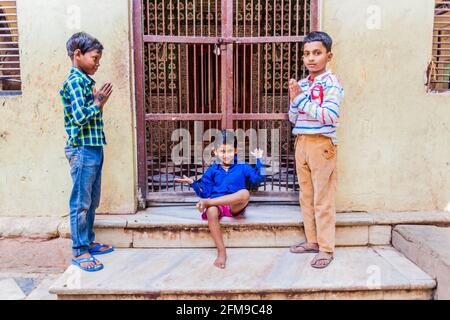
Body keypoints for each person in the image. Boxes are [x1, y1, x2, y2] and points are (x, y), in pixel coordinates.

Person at [288, 31, 345, 269]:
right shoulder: (303, 84)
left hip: (321, 144)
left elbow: (330, 117)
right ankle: (312, 241)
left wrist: (301, 101)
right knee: (306, 196)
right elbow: (293, 117)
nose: (311, 58)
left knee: (323, 199)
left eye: (317, 53)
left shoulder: (332, 83)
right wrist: (294, 99)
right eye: (307, 54)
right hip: (301, 142)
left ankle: (326, 248)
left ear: (328, 56)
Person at [60, 32, 114, 272]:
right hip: (82, 149)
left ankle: (88, 241)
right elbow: (81, 117)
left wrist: (98, 103)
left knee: (91, 200)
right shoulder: (73, 82)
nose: (97, 63)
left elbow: (92, 117)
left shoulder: (85, 82)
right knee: (80, 202)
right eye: (95, 58)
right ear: (77, 55)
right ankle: (79, 251)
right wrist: (98, 102)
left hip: (93, 146)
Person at [175, 130, 265, 269]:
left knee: (245, 193)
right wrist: (192, 182)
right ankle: (221, 251)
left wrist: (259, 160)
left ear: (235, 151)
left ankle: (209, 203)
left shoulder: (243, 167)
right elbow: (204, 192)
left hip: (235, 205)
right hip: (217, 205)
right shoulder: (213, 170)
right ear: (215, 152)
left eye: (229, 151)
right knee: (211, 211)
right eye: (222, 151)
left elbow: (258, 179)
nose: (226, 155)